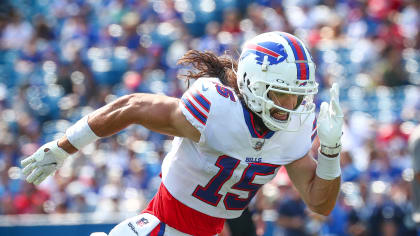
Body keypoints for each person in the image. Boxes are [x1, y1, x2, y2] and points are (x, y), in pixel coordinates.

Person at [21, 31, 343, 236]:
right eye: (280, 94)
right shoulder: (215, 109)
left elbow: (320, 204)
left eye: (298, 96)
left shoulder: (295, 129)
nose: (291, 106)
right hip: (163, 226)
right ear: (252, 84)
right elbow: (133, 106)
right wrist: (64, 146)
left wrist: (330, 151)